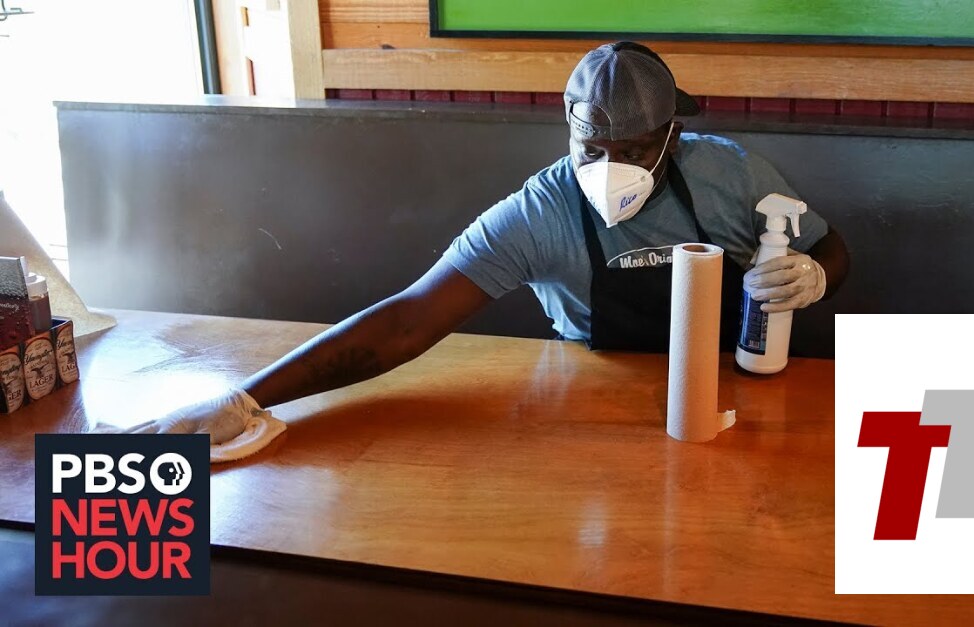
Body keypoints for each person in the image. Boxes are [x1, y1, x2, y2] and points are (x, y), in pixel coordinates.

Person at [126, 41, 849, 442]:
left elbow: (831, 247)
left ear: (671, 136)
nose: (611, 170)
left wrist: (814, 276)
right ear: (568, 131)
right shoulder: (539, 212)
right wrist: (246, 398)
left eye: (633, 150)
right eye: (592, 149)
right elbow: (409, 319)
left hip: (731, 389)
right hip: (591, 398)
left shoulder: (728, 174)